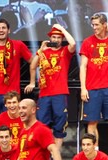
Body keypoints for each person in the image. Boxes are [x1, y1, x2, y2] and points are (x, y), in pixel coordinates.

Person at [78, 13, 108, 160]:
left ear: (104, 25)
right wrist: (83, 88)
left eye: (97, 25)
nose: (94, 28)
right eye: (93, 25)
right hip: (92, 88)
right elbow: (83, 66)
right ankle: (95, 154)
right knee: (92, 123)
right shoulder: (87, 42)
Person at [25, 23, 76, 151]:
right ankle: (44, 154)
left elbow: (73, 44)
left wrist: (63, 29)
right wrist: (40, 50)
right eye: (54, 37)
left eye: (59, 37)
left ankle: (55, 155)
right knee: (42, 124)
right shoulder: (44, 52)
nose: (56, 40)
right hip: (44, 94)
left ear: (62, 39)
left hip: (60, 93)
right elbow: (33, 66)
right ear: (50, 38)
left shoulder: (65, 52)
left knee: (59, 126)